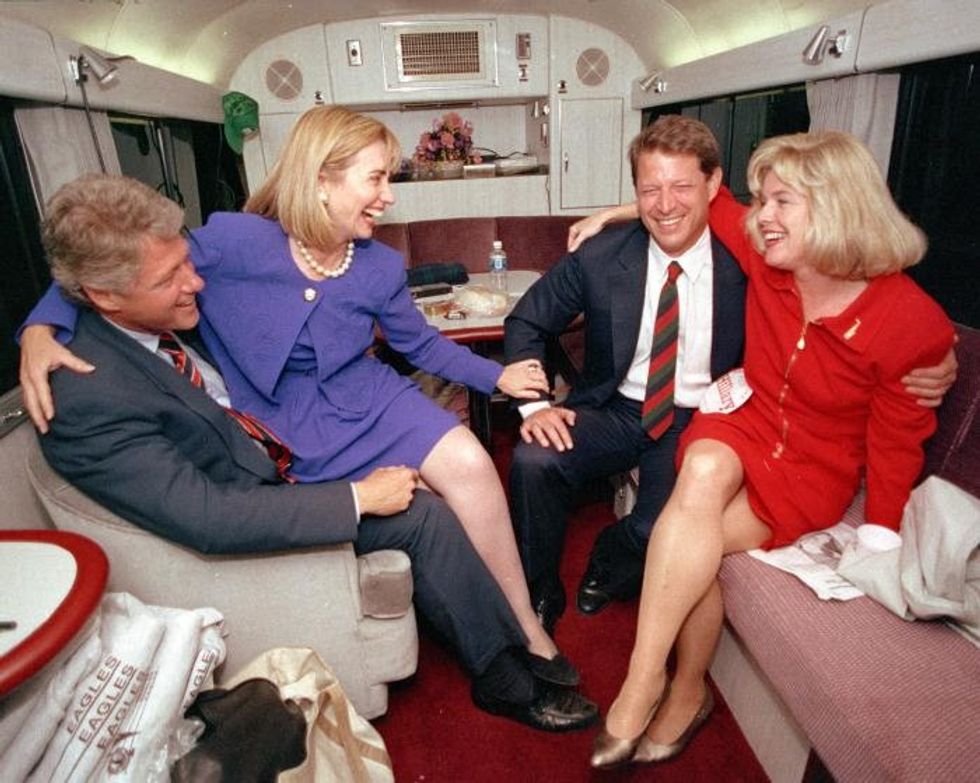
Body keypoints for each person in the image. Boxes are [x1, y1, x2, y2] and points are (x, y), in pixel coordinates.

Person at [19, 105, 578, 689]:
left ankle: (524, 623)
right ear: (321, 180)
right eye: (376, 178)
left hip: (371, 398)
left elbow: (418, 345)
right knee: (430, 501)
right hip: (286, 420)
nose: (388, 196)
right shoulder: (233, 242)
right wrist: (38, 329)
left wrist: (498, 379)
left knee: (469, 461)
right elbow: (114, 272)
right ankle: (480, 612)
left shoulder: (381, 266)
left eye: (389, 177)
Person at [504, 115, 955, 634]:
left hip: (702, 414)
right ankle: (537, 590)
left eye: (681, 187)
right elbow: (526, 321)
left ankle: (612, 553)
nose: (665, 203)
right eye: (650, 190)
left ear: (714, 185)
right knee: (533, 459)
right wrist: (535, 405)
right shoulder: (600, 257)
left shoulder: (754, 257)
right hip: (613, 407)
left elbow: (862, 276)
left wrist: (935, 352)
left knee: (657, 530)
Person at [589, 130, 955, 768]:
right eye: (762, 201)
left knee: (688, 543)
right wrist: (613, 212)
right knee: (699, 466)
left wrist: (880, 532)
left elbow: (899, 443)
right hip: (744, 422)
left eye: (781, 202)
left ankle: (687, 690)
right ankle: (643, 682)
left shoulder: (911, 321)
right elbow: (694, 200)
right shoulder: (767, 255)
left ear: (837, 206)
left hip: (814, 468)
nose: (762, 218)